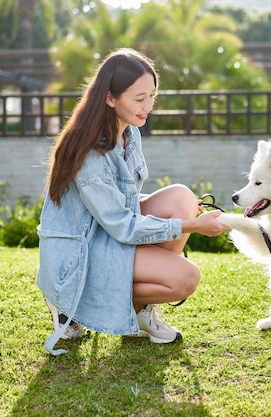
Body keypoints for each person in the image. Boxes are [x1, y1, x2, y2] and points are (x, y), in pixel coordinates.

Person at [37, 48, 230, 355]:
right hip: (83, 253)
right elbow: (123, 226)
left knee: (182, 197)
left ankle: (139, 309)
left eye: (152, 96)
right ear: (110, 98)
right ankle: (68, 303)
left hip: (108, 232)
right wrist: (192, 225)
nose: (148, 106)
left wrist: (186, 214)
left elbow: (122, 203)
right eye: (139, 99)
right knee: (185, 277)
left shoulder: (129, 131)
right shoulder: (89, 154)